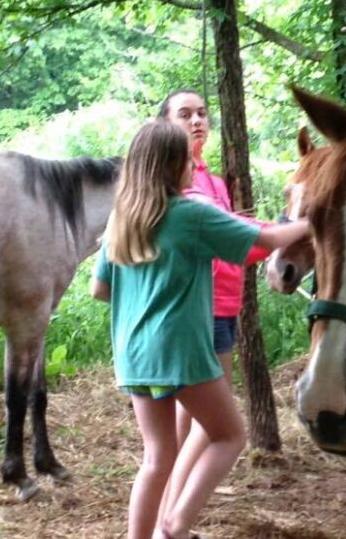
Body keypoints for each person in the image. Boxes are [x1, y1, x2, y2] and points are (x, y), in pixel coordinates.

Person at [90, 119, 309, 539]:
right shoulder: (190, 214)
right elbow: (268, 239)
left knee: (156, 457)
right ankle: (175, 526)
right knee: (230, 436)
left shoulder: (122, 218)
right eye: (188, 159)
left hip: (133, 354)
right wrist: (313, 223)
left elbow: (100, 289)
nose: (195, 165)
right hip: (179, 350)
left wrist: (145, 293)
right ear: (173, 166)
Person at [154, 90, 270, 535]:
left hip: (224, 303)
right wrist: (284, 234)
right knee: (209, 424)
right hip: (200, 309)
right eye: (185, 115)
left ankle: (168, 521)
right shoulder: (178, 185)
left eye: (202, 113)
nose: (197, 121)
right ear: (165, 125)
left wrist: (262, 243)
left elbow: (235, 242)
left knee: (188, 427)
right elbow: (233, 238)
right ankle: (173, 523)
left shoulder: (214, 182)